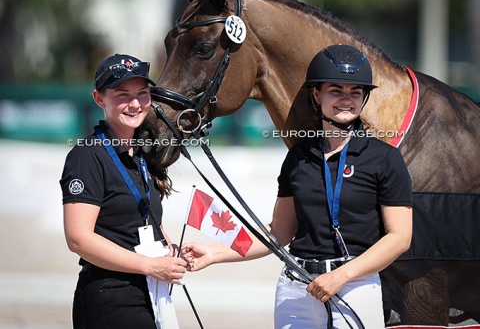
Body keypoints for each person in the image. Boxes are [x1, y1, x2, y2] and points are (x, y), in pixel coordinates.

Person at [181, 44, 413, 329]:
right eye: (336, 91)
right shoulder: (298, 157)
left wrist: (341, 276)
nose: (346, 100)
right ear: (317, 95)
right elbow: (278, 233)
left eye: (355, 92)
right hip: (297, 288)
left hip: (355, 285)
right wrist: (214, 253)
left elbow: (400, 237)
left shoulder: (385, 158)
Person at [60, 53, 188, 329]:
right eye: (122, 94)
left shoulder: (142, 153)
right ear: (99, 98)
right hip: (109, 295)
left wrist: (170, 250)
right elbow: (78, 239)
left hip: (150, 292)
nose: (134, 104)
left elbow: (141, 220)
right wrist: (149, 265)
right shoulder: (87, 156)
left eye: (142, 93)